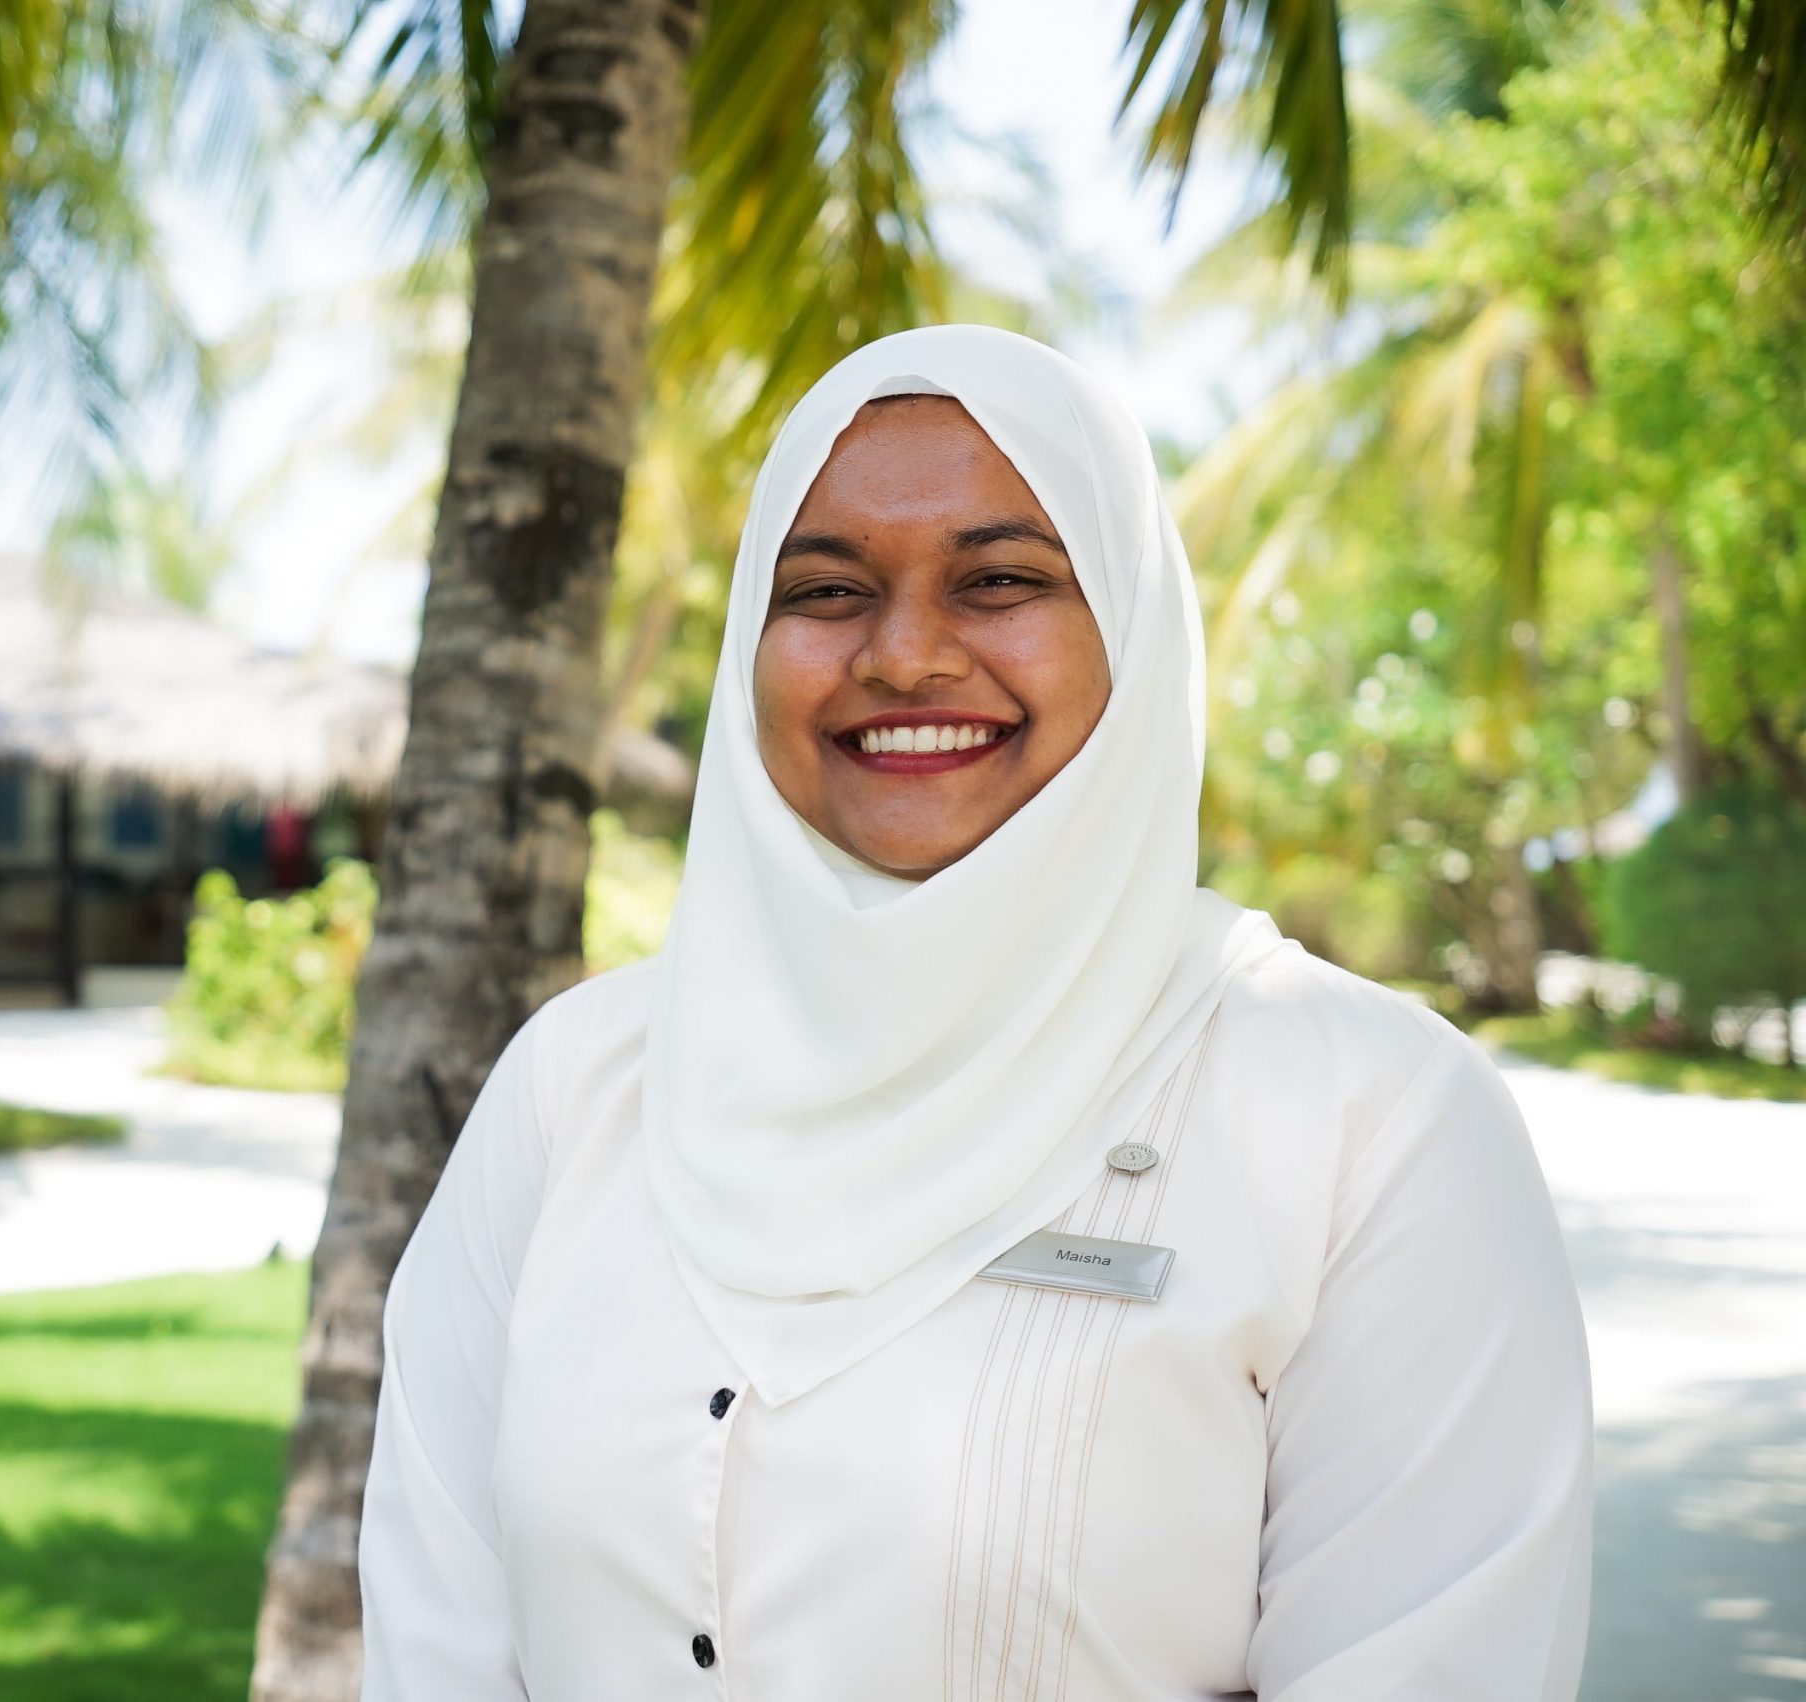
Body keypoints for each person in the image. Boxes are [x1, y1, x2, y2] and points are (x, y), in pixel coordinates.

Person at [355, 325, 1594, 1701]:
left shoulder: (1363, 1114)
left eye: (1000, 579)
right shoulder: (577, 1087)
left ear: (1132, 629)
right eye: (826, 590)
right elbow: (436, 1636)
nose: (903, 656)